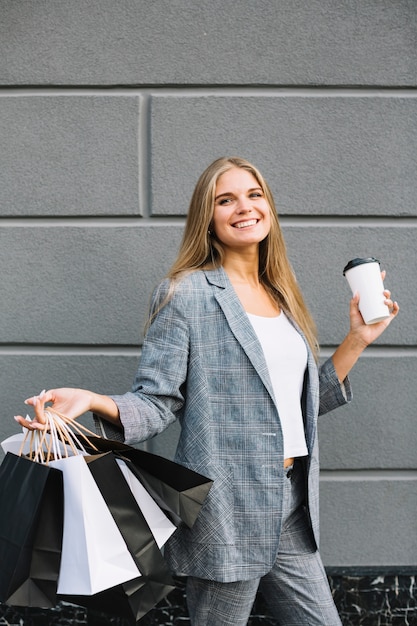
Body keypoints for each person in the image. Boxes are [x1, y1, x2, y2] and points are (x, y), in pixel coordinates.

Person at [16, 156, 399, 625]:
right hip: (227, 511)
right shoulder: (186, 293)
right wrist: (94, 401)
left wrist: (357, 339)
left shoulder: (281, 295)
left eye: (254, 194)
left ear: (269, 209)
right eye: (226, 199)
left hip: (292, 504)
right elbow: (158, 400)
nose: (245, 206)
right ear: (209, 218)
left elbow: (291, 410)